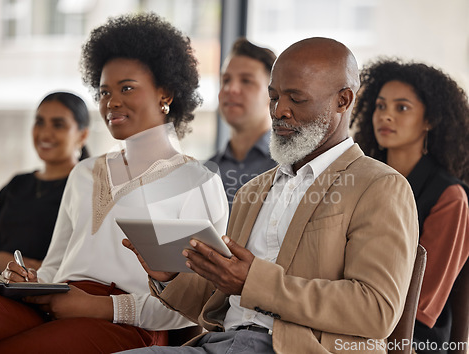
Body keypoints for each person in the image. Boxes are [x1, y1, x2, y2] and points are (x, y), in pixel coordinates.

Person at [122, 37, 419, 354]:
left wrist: (253, 282)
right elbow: (215, 302)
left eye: (297, 99)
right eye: (274, 97)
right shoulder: (255, 189)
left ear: (343, 101)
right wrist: (169, 277)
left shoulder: (380, 185)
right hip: (221, 343)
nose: (280, 111)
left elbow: (376, 311)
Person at [0, 13, 228, 354]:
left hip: (128, 326)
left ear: (165, 93)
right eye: (104, 91)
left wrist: (95, 307)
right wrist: (33, 284)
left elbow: (196, 304)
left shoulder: (195, 180)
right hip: (56, 305)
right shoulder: (84, 172)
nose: (111, 102)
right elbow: (54, 265)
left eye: (127, 88)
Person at [351, 59, 469, 353]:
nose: (386, 116)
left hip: (409, 339)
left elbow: (421, 303)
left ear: (429, 120)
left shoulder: (450, 196)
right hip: (351, 318)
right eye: (380, 106)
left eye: (401, 108)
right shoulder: (361, 179)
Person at [0, 91, 90, 273]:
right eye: (39, 122)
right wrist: (1, 260)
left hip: (47, 296)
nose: (45, 133)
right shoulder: (17, 184)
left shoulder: (87, 188)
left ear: (82, 135)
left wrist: (32, 269)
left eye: (58, 125)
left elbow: (85, 266)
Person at [208, 38, 277, 210]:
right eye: (226, 80)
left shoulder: (288, 168)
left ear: (272, 94)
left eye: (246, 81)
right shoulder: (206, 172)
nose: (231, 89)